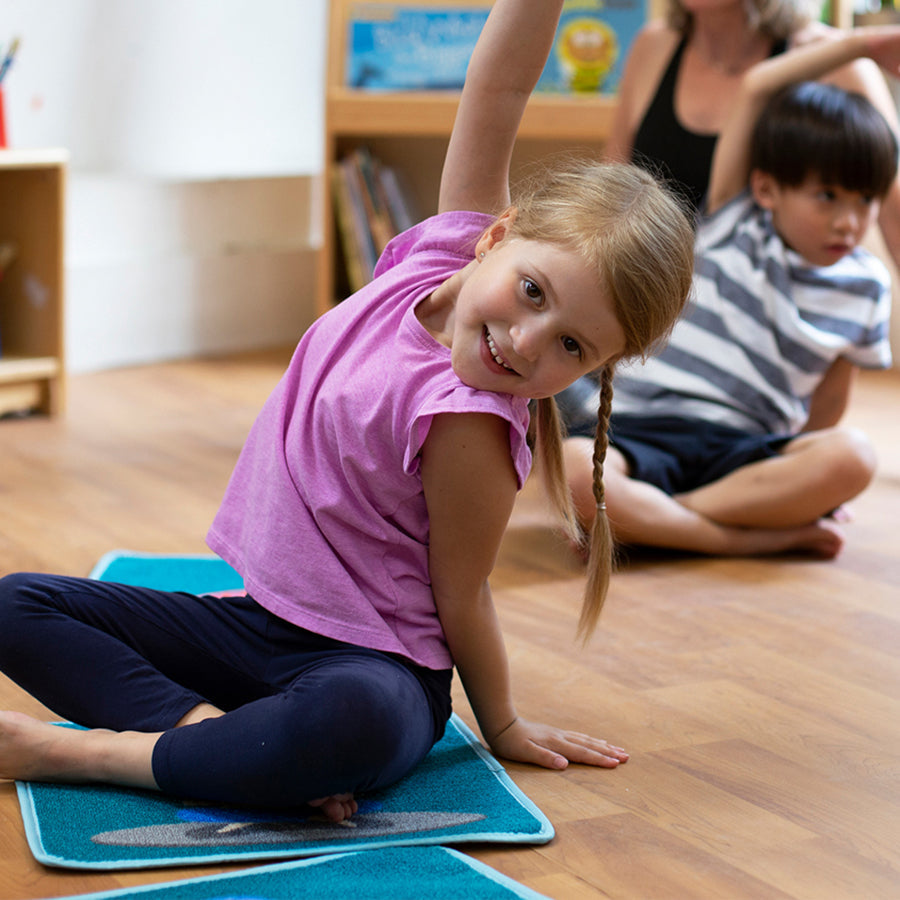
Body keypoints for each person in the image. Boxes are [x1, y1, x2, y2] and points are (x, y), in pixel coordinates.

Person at [0, 0, 695, 823]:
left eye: (572, 348)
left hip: (374, 667)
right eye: (532, 292)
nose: (526, 341)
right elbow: (499, 88)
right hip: (257, 622)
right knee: (15, 604)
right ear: (496, 235)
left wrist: (498, 720)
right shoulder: (441, 248)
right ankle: (211, 739)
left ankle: (90, 753)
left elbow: (462, 596)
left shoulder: (471, 420)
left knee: (350, 725)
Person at [561, 26, 900, 559]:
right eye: (827, 197)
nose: (849, 222)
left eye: (865, 201)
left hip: (745, 446)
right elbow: (757, 87)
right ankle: (737, 536)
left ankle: (655, 518)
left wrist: (798, 477)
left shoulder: (867, 287)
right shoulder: (732, 218)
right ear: (767, 189)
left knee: (853, 457)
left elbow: (831, 399)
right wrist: (859, 47)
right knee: (577, 471)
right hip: (643, 425)